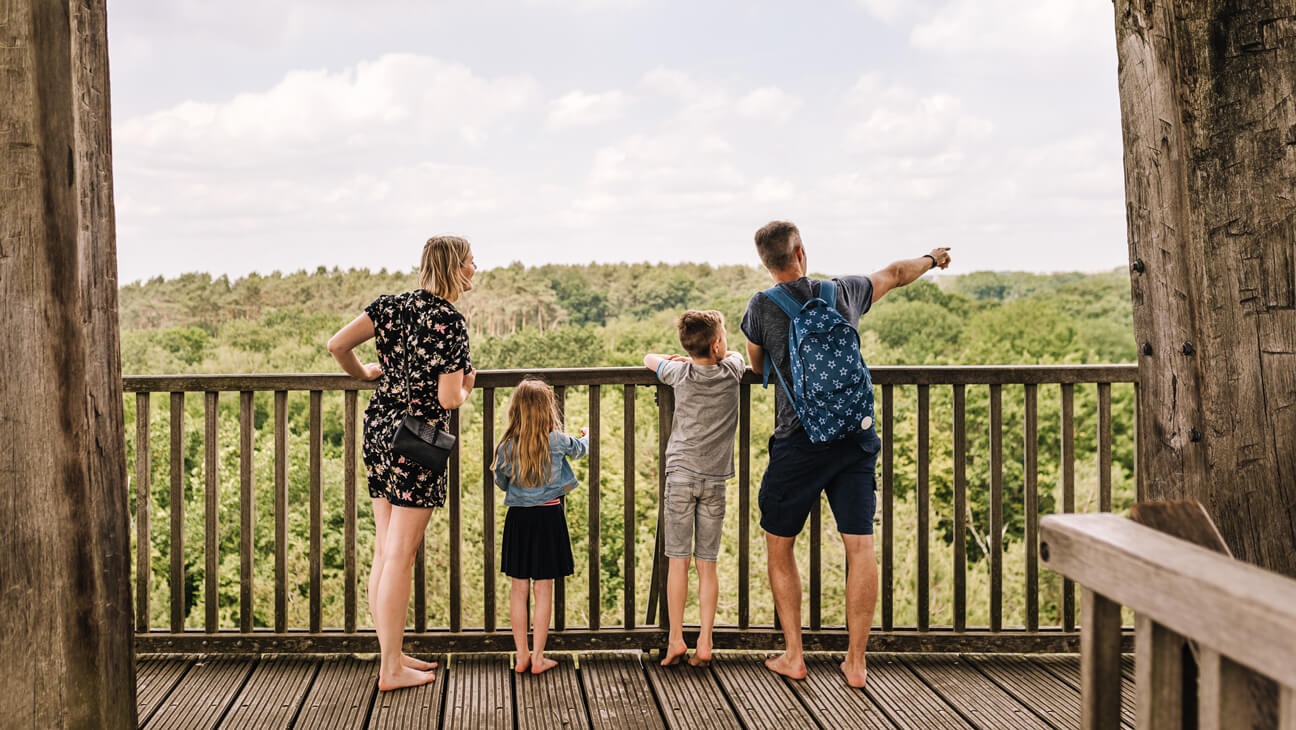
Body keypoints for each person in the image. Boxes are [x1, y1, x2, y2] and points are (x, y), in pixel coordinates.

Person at [740, 220, 950, 688]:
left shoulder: (760, 306)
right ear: (801, 253)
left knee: (780, 546)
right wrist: (932, 259)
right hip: (854, 439)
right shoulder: (842, 293)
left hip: (798, 441)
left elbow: (756, 364)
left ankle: (794, 655)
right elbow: (895, 273)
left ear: (766, 262)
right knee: (860, 546)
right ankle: (856, 663)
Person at [327, 236, 478, 691]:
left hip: (379, 431)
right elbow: (449, 398)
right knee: (400, 553)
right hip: (418, 441)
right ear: (455, 267)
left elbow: (337, 345)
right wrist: (469, 384)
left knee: (383, 549)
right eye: (471, 262)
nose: (476, 268)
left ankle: (390, 653)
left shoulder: (390, 305)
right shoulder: (450, 322)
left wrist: (366, 372)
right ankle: (390, 669)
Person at [644, 311, 746, 667]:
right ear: (717, 344)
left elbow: (648, 359)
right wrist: (723, 354)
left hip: (681, 477)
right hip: (715, 479)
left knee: (678, 561)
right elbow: (737, 357)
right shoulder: (732, 371)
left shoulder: (680, 372)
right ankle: (705, 640)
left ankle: (675, 639)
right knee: (708, 564)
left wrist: (680, 358)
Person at [492, 378, 589, 675]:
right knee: (543, 589)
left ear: (516, 411)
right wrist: (587, 434)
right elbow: (581, 450)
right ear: (548, 410)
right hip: (549, 519)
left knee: (518, 588)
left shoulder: (507, 446)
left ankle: (520, 655)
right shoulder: (557, 440)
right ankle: (537, 657)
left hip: (519, 520)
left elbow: (501, 481)